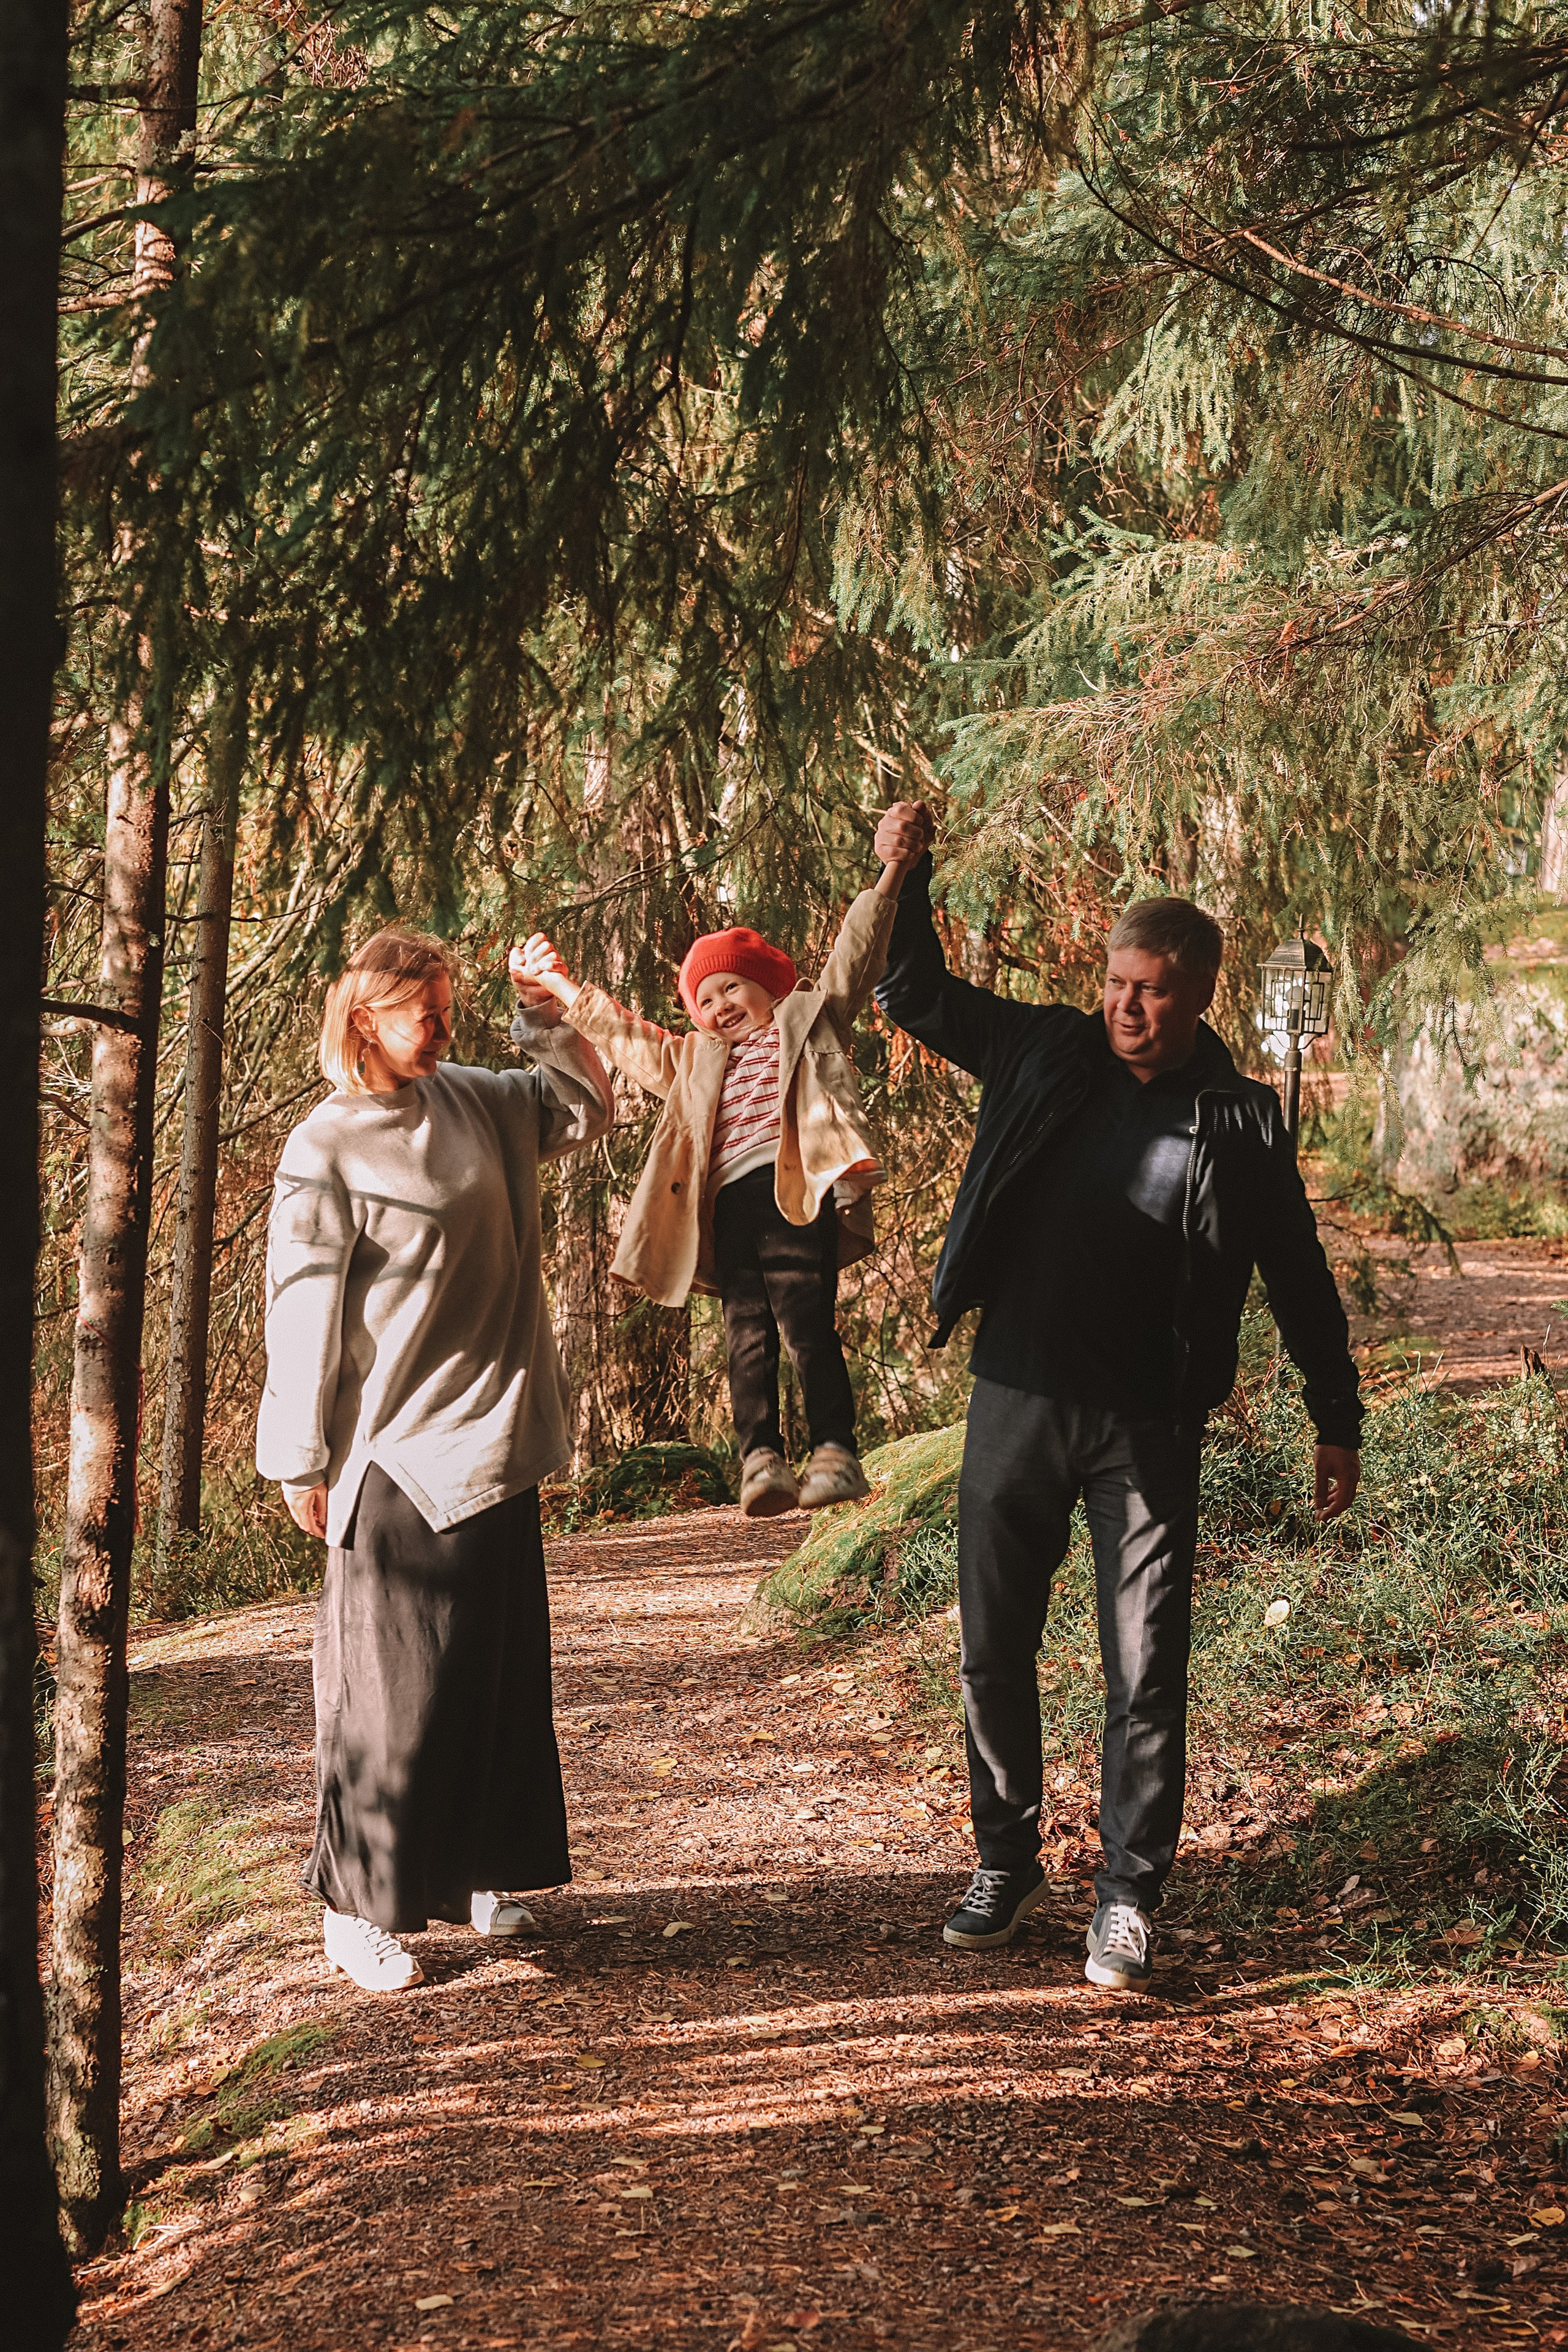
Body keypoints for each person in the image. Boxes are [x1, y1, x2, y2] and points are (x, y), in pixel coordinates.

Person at [871, 802, 1362, 1992]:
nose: (1124, 1007)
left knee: (1144, 1668)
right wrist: (903, 872)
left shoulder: (1240, 1119)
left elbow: (1297, 1273)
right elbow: (912, 992)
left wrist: (1334, 1417)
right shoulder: (1043, 1048)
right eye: (1113, 983)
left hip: (1145, 1425)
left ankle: (1128, 1897)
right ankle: (1005, 1861)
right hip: (1016, 1397)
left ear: (1198, 996)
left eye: (1149, 990)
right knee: (992, 1647)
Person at [256, 927, 613, 1992]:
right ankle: (353, 1909)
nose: (445, 1027)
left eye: (451, 1007)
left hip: (497, 1437)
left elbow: (582, 1109)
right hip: (394, 1456)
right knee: (392, 1696)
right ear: (364, 1018)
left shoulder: (477, 1101)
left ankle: (470, 1877)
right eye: (426, 1012)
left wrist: (546, 1014)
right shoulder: (325, 1146)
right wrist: (301, 1457)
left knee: (488, 1684)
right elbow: (302, 1313)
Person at [513, 830, 923, 1519]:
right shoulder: (693, 1061)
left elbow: (858, 953)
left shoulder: (809, 1017)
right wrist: (557, 985)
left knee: (805, 1321)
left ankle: (835, 1452)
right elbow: (624, 1034)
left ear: (769, 987)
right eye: (705, 1000)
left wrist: (892, 874)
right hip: (729, 1206)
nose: (720, 1004)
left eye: (732, 986)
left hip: (796, 1190)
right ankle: (761, 1459)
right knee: (746, 1331)